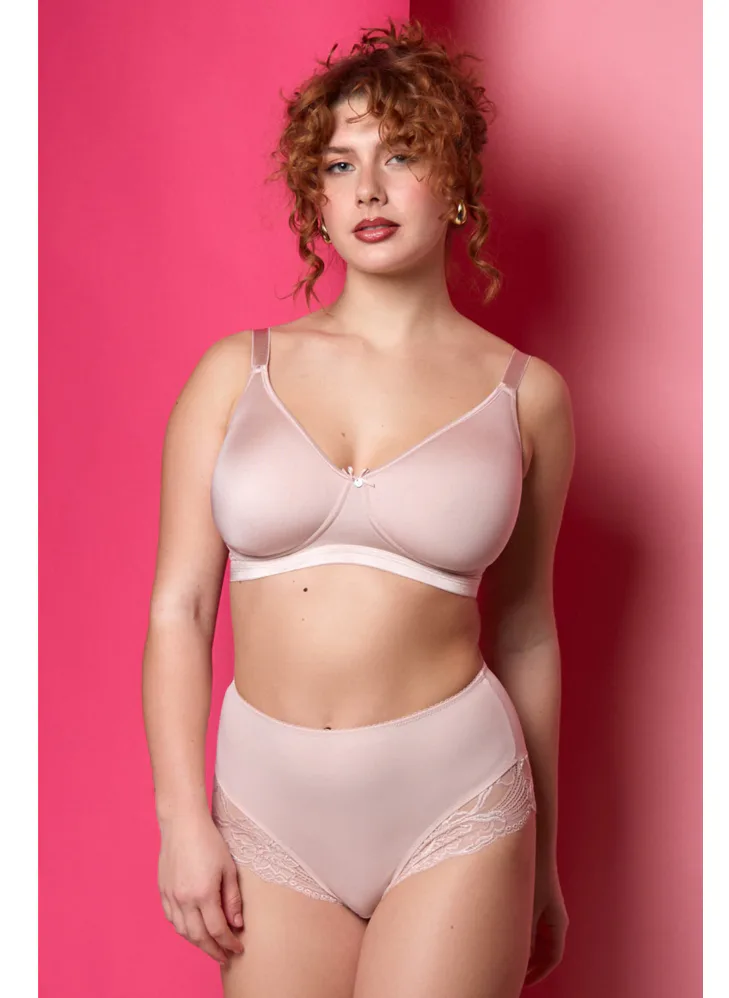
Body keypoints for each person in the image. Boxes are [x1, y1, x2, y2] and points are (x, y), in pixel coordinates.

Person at [142, 17, 574, 998]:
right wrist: (181, 819)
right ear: (317, 196)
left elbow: (527, 633)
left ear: (456, 182)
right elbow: (179, 608)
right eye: (340, 165)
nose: (368, 189)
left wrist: (542, 860)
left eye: (401, 155)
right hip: (268, 808)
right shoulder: (234, 374)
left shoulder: (527, 394)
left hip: (457, 804)